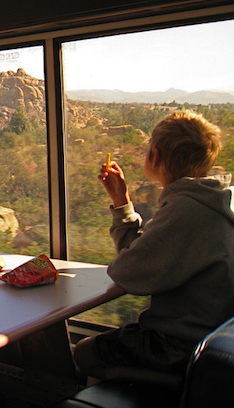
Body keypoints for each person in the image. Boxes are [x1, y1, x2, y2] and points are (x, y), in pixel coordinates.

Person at [74, 110, 234, 379]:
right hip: (214, 337)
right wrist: (122, 202)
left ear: (154, 156)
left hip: (181, 347)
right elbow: (141, 258)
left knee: (84, 351)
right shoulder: (215, 201)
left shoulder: (187, 210)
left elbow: (126, 272)